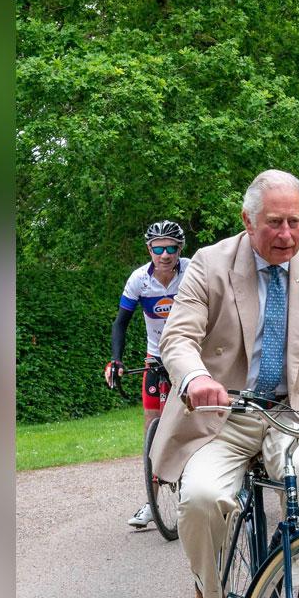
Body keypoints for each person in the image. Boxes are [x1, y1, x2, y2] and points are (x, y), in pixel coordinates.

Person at [147, 170, 299, 598]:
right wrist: (196, 378)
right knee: (202, 498)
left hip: (289, 408)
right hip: (222, 412)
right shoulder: (209, 264)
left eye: (295, 223)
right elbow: (178, 338)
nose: (286, 235)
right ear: (247, 220)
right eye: (274, 223)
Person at [105, 220, 193, 529]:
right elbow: (121, 322)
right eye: (158, 248)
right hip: (156, 357)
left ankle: (201, 488)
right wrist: (115, 360)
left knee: (197, 422)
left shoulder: (192, 272)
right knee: (151, 430)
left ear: (180, 250)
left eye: (171, 248)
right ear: (149, 250)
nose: (165, 254)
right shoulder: (139, 280)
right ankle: (151, 503)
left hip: (189, 355)